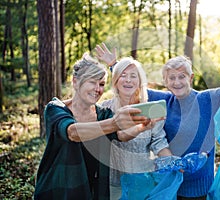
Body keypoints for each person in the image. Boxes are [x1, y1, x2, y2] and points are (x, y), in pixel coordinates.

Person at [95, 41, 220, 199]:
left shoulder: (207, 100)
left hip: (199, 185)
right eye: (172, 78)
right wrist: (114, 65)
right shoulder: (163, 102)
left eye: (182, 76)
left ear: (190, 78)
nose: (177, 82)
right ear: (166, 81)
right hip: (169, 184)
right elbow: (132, 83)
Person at [34, 53, 153, 200]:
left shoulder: (103, 113)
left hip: (90, 188)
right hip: (59, 188)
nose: (97, 89)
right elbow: (73, 133)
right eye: (92, 82)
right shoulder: (56, 108)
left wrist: (142, 127)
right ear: (75, 82)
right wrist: (115, 123)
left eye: (102, 84)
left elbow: (121, 135)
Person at [99, 57, 173, 199]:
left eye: (133, 76)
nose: (128, 80)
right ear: (115, 81)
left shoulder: (150, 110)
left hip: (141, 181)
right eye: (123, 75)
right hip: (113, 183)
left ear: (139, 82)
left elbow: (159, 143)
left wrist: (172, 162)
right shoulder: (104, 109)